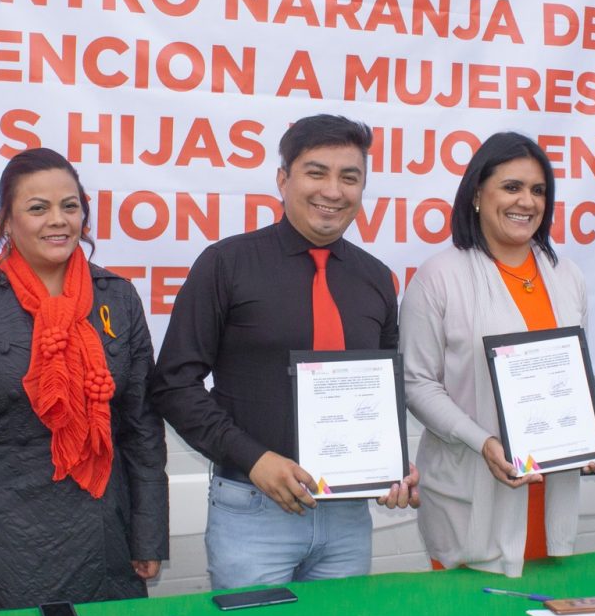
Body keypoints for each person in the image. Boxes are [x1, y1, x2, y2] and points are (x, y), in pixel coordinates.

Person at [150, 114, 419, 589]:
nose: (333, 191)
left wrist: (393, 463)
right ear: (282, 179)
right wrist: (254, 460)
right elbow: (174, 384)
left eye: (349, 177)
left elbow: (384, 391)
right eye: (316, 172)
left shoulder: (376, 279)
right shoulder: (225, 264)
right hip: (253, 510)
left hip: (348, 519)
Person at [0, 149, 167, 613]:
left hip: (102, 531)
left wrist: (147, 533)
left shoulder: (119, 297)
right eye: (38, 208)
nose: (58, 220)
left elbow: (142, 431)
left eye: (70, 206)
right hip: (0, 537)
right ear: (6, 222)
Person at [400, 133, 595, 576]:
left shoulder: (566, 275)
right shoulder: (439, 276)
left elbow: (572, 375)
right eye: (512, 187)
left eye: (538, 190)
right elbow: (416, 383)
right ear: (478, 193)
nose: (527, 201)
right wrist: (483, 442)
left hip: (548, 496)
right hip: (472, 496)